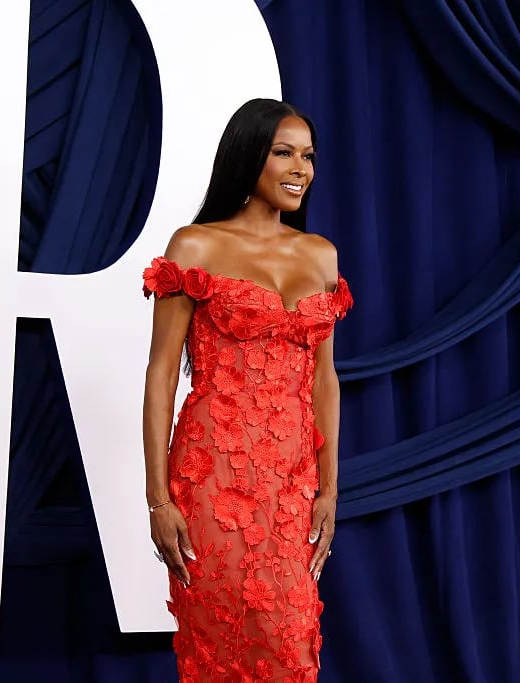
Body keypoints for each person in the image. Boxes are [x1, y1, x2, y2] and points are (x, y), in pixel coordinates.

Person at [141, 98, 353, 682]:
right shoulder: (196, 246)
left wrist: (330, 487)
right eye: (283, 152)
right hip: (212, 480)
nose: (300, 168)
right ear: (246, 159)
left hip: (291, 485)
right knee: (221, 646)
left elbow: (324, 379)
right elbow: (161, 375)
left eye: (308, 155)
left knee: (290, 643)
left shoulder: (321, 256)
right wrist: (159, 499)